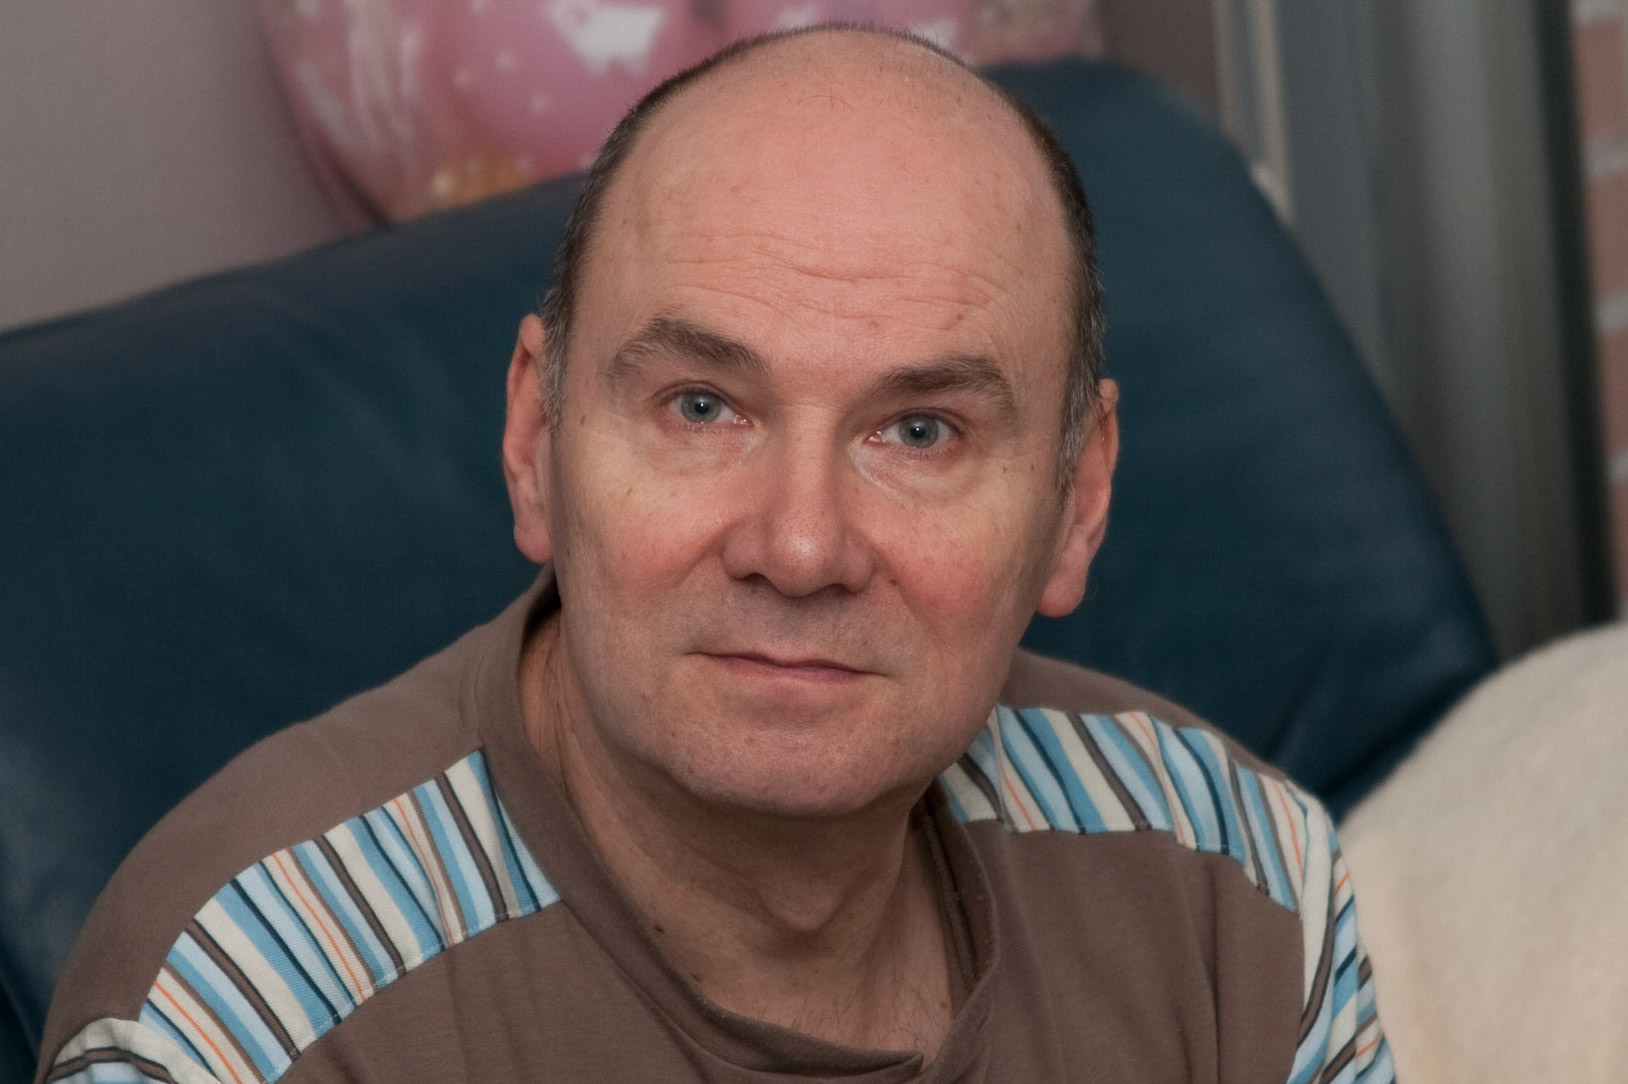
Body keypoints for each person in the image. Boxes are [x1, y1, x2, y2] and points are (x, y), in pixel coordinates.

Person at [35, 25, 1392, 1084]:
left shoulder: (1238, 891)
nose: (799, 547)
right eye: (700, 408)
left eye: (920, 431)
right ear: (535, 441)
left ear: (1078, 500)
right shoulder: (246, 1026)